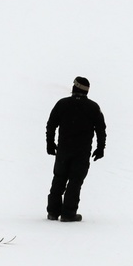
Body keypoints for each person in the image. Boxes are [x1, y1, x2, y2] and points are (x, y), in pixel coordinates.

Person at [45, 76, 107, 222]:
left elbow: (51, 124)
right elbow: (100, 129)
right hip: (81, 152)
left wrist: (50, 143)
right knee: (75, 182)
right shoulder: (93, 107)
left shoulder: (62, 104)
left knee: (59, 179)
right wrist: (100, 148)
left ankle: (53, 212)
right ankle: (68, 213)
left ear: (74, 88)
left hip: (63, 150)